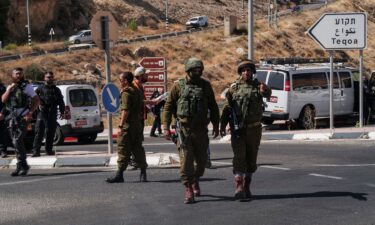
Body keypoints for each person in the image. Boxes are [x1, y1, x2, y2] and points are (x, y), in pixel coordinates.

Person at [163, 57, 220, 204]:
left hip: (201, 130)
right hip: (184, 130)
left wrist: (216, 124)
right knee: (186, 161)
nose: (197, 72)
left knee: (201, 163)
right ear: (188, 70)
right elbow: (168, 107)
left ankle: (195, 179)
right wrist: (166, 127)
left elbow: (213, 106)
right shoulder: (178, 86)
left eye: (199, 70)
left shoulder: (206, 86)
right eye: (194, 70)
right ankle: (188, 188)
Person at [220, 60, 271, 200]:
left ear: (252, 72)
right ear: (240, 72)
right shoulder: (233, 88)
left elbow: (268, 94)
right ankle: (239, 186)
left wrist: (265, 90)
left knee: (251, 158)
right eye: (243, 70)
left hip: (254, 129)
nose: (246, 73)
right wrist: (222, 125)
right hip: (238, 130)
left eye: (248, 70)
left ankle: (247, 186)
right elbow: (226, 108)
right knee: (239, 157)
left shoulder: (258, 87)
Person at [106, 72, 148, 183]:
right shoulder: (137, 91)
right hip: (137, 125)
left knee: (123, 149)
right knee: (138, 149)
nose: (120, 83)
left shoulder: (126, 93)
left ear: (125, 81)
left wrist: (120, 125)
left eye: (120, 80)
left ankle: (119, 175)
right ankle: (143, 172)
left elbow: (125, 110)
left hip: (128, 126)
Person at [2, 67, 40, 176]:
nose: (18, 75)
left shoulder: (27, 87)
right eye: (16, 74)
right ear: (12, 75)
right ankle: (20, 165)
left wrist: (30, 113)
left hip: (23, 117)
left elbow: (36, 100)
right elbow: (3, 100)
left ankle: (24, 165)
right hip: (12, 118)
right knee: (15, 142)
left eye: (20, 74)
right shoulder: (10, 87)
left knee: (17, 141)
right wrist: (8, 90)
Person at [31, 72, 65, 157]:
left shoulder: (56, 90)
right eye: (48, 77)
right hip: (42, 113)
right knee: (39, 132)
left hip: (52, 113)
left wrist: (62, 111)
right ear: (44, 78)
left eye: (51, 77)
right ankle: (36, 151)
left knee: (51, 132)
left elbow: (61, 101)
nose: (50, 79)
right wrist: (38, 105)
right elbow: (33, 99)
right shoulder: (40, 88)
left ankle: (48, 150)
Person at [0, 78, 9, 158]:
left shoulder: (2, 88)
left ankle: (3, 150)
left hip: (0, 114)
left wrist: (2, 112)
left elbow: (6, 102)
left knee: (2, 133)